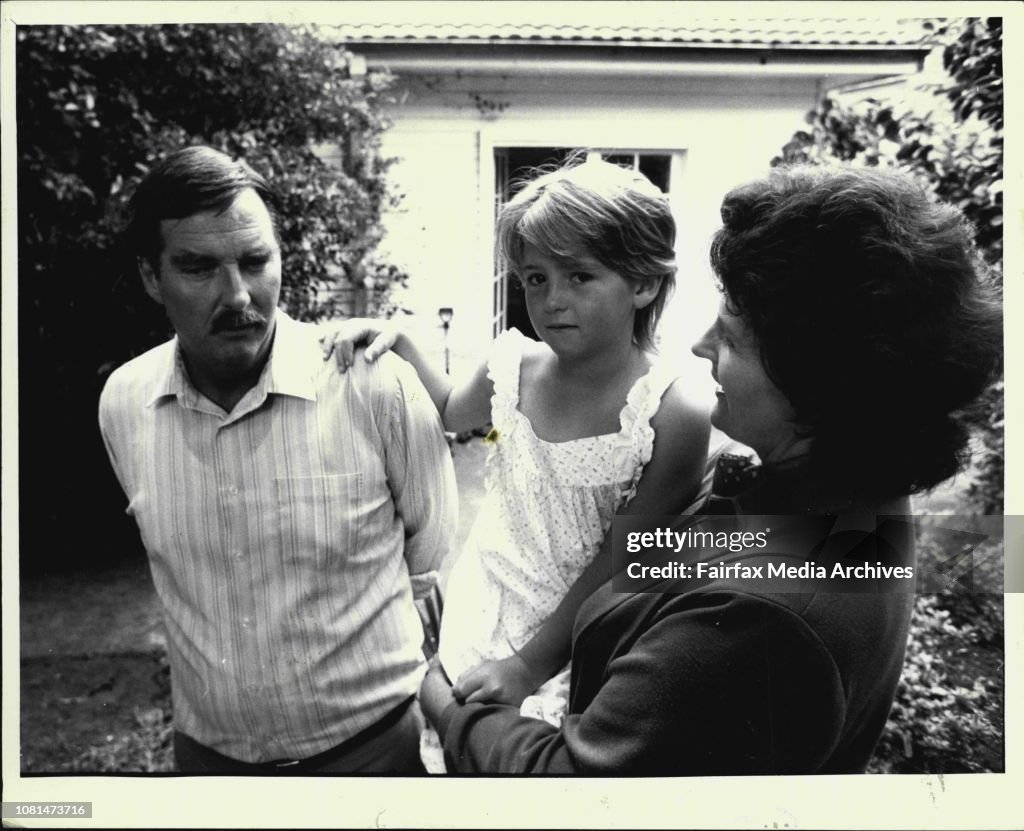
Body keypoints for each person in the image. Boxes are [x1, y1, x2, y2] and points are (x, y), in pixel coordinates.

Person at [413, 165, 1002, 773]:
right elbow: (651, 551)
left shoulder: (756, 622)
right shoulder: (832, 500)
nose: (698, 346)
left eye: (731, 338)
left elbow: (568, 782)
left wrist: (444, 701)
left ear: (817, 382)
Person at [322, 157, 724, 770]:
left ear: (643, 284)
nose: (551, 300)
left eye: (580, 276)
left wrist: (528, 666)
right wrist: (399, 341)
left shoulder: (674, 405)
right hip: (482, 607)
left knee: (536, 783)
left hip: (580, 646)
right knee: (459, 763)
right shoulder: (513, 366)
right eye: (535, 278)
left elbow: (629, 561)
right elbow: (450, 409)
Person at [98, 146, 457, 773]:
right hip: (210, 767)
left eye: (256, 261)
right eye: (198, 267)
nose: (237, 294)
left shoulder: (373, 385)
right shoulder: (125, 402)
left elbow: (427, 553)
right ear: (152, 277)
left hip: (371, 755)